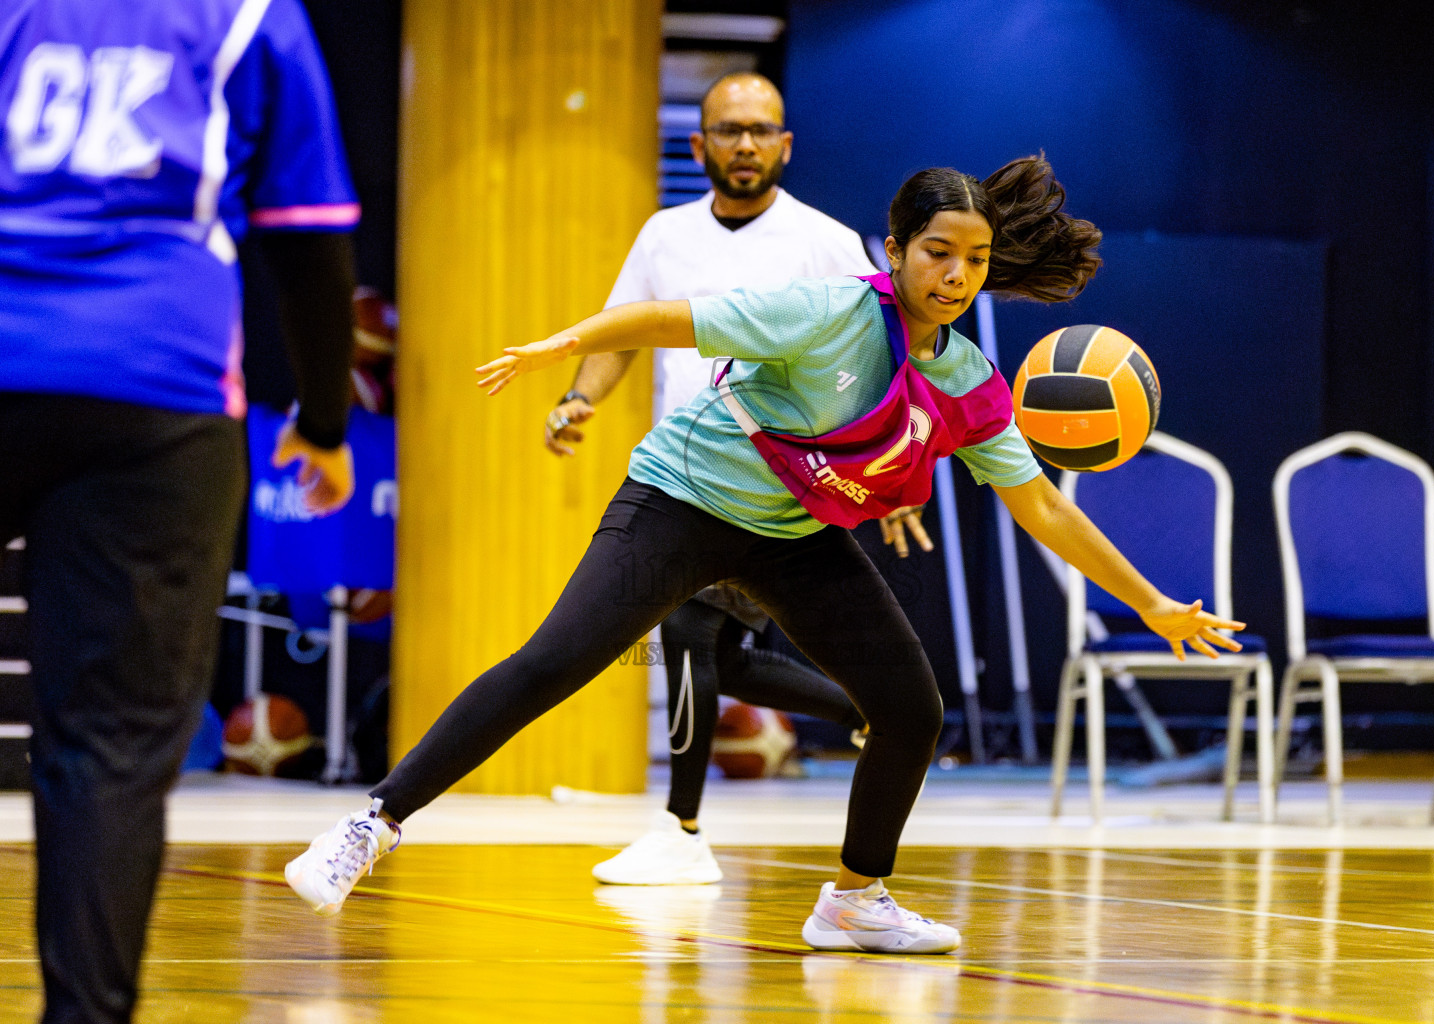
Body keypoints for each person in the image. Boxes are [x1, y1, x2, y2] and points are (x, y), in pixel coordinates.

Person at [286, 154, 1244, 955]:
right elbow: (672, 321)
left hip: (792, 533)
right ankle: (370, 825)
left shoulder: (968, 379)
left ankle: (854, 901)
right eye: (938, 253)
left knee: (911, 709)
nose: (954, 275)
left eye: (974, 260)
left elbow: (1041, 504)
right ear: (899, 250)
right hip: (683, 500)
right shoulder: (826, 310)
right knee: (555, 663)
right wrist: (558, 350)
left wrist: (1153, 604)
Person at [0, 2, 360, 1019]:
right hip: (157, 387)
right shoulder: (253, 16)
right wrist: (324, 423)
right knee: (108, 745)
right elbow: (312, 244)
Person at [546, 72, 892, 886]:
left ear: (785, 145)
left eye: (761, 130)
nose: (746, 144)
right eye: (729, 130)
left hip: (786, 485)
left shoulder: (827, 242)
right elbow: (620, 330)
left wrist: (877, 468)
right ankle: (858, 717)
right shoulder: (665, 235)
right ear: (699, 145)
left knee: (698, 645)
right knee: (707, 650)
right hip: (690, 477)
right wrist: (577, 398)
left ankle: (687, 825)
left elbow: (878, 359)